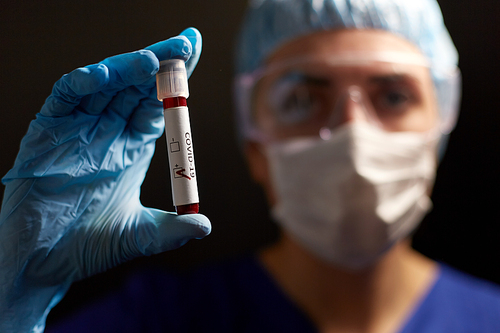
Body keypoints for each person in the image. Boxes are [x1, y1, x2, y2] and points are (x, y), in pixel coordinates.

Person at [1, 0, 500, 332]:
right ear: (255, 146)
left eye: (393, 95)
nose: (354, 134)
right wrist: (17, 311)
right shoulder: (152, 321)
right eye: (304, 98)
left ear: (439, 128)